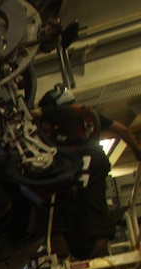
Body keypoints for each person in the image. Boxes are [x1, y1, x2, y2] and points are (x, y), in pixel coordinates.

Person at [33, 84, 141, 259]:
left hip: (74, 162)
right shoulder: (92, 114)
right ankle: (99, 245)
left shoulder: (60, 113)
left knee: (46, 196)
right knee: (95, 201)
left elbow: (33, 116)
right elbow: (123, 130)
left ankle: (57, 242)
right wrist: (137, 152)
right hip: (96, 162)